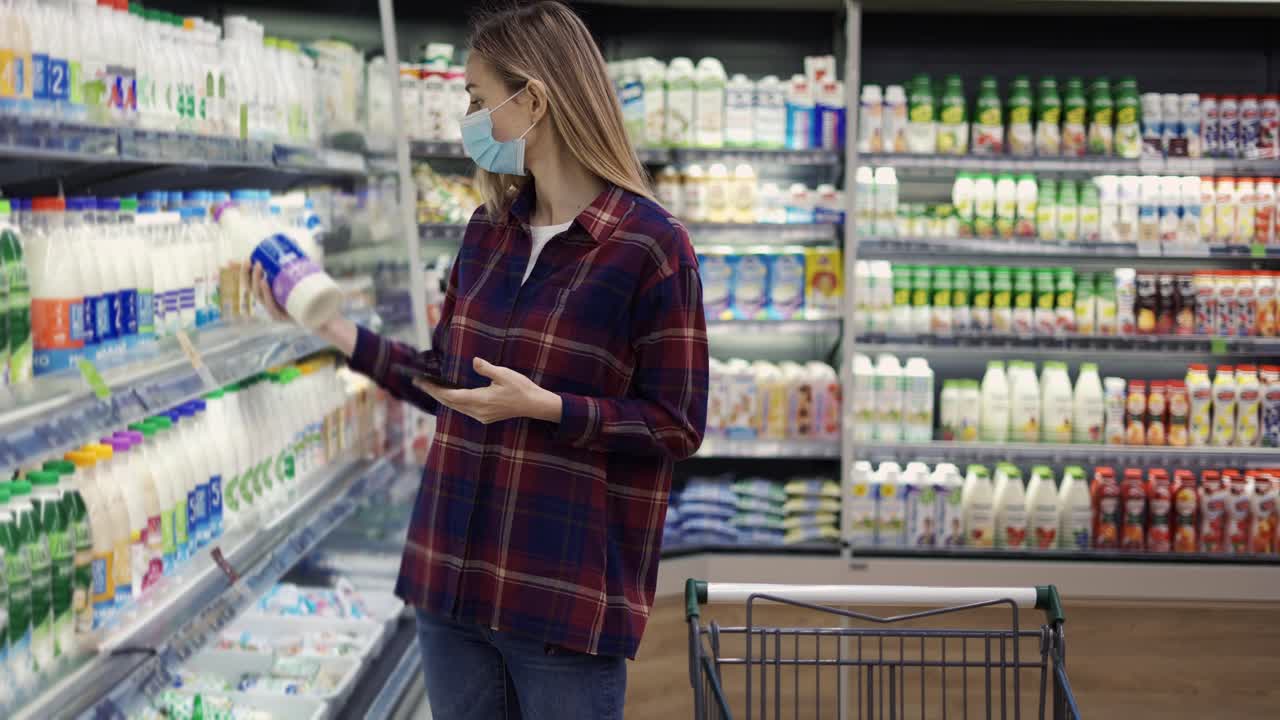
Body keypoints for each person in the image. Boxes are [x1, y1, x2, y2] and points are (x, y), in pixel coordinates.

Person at [252, 2, 708, 718]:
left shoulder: (650, 247)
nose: (462, 117)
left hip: (559, 600)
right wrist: (331, 326)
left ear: (533, 100)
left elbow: (677, 423)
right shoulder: (487, 234)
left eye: (474, 97)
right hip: (450, 585)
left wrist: (548, 408)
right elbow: (447, 383)